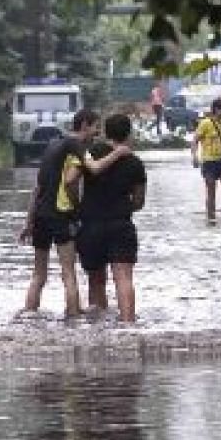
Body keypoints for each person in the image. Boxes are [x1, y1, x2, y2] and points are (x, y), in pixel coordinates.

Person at [18, 109, 127, 317]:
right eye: (96, 126)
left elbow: (37, 188)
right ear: (85, 125)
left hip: (40, 216)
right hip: (60, 215)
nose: (97, 132)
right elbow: (93, 169)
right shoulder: (75, 146)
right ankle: (73, 316)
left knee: (38, 274)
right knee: (68, 272)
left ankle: (29, 313)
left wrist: (28, 222)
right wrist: (118, 153)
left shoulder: (52, 145)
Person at [76, 114, 146, 323]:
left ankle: (99, 330)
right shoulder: (134, 162)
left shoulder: (91, 153)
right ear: (128, 133)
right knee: (123, 278)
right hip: (121, 224)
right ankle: (127, 325)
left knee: (96, 281)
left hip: (91, 225)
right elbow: (140, 201)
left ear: (105, 132)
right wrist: (124, 206)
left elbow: (72, 181)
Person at [191, 97, 221, 220]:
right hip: (208, 162)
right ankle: (211, 218)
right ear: (216, 110)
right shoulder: (205, 123)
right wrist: (194, 156)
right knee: (211, 192)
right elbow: (195, 141)